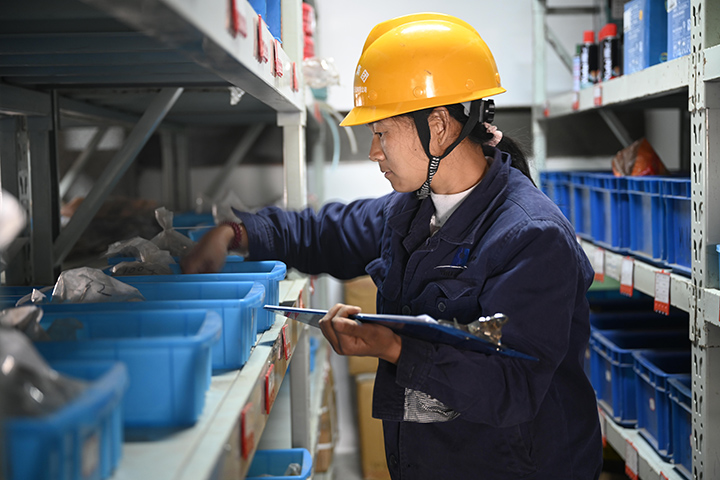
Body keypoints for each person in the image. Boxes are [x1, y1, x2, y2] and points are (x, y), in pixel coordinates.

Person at [182, 12, 602, 480]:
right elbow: (327, 232)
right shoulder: (412, 210)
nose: (373, 152)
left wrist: (395, 347)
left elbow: (513, 386)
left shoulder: (532, 237)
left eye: (381, 132)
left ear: (438, 126)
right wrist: (235, 233)